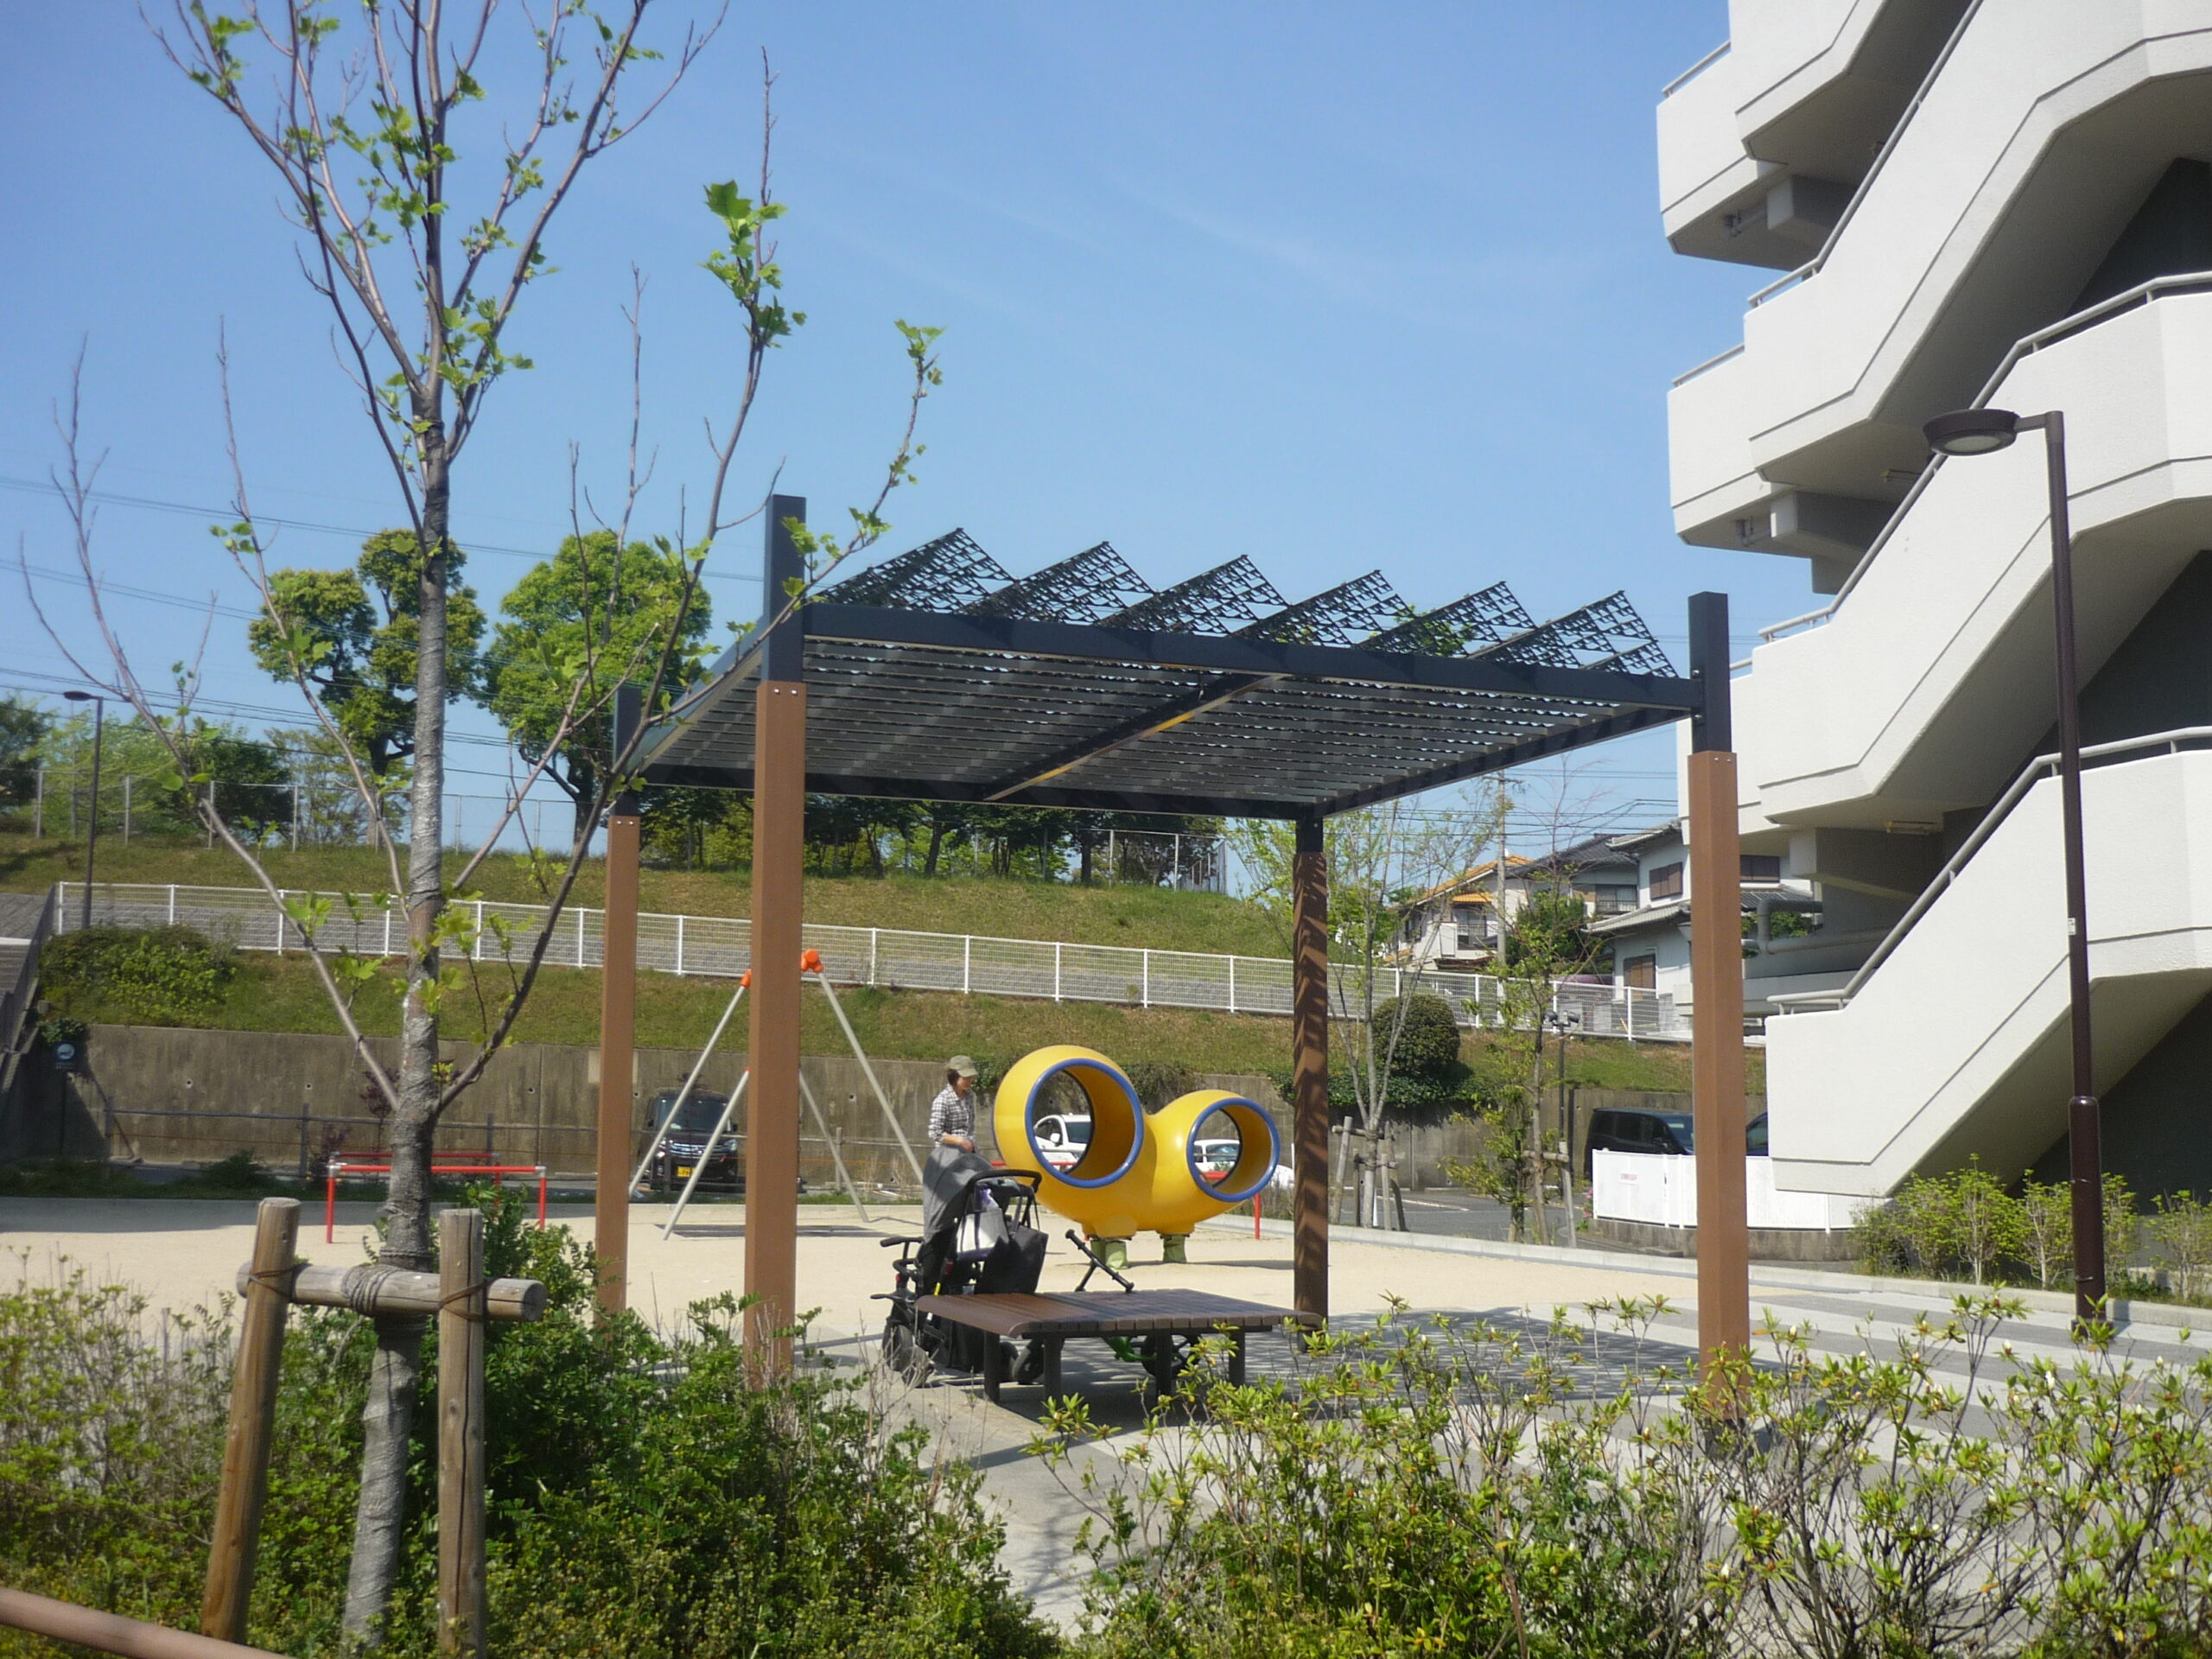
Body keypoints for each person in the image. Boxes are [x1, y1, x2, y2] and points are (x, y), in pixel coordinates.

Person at [929, 1055, 981, 1154]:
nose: (969, 1081)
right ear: (953, 1077)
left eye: (970, 1077)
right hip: (949, 1154)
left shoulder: (970, 1095)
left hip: (970, 1153)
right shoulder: (943, 1100)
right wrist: (960, 1141)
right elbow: (935, 1133)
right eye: (965, 1077)